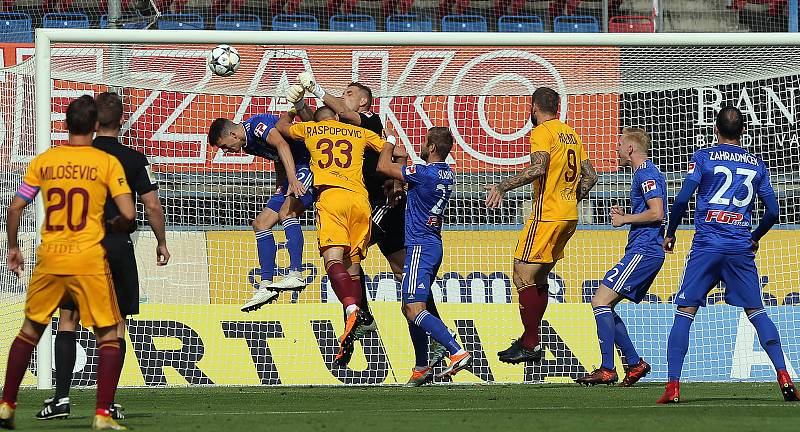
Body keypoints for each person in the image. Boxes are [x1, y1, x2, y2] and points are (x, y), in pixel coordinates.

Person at [0, 95, 134, 430]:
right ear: (93, 126)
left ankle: (6, 404)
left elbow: (15, 208)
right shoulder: (106, 163)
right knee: (107, 334)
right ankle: (102, 414)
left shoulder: (46, 161)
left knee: (30, 331)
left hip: (51, 257)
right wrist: (113, 225)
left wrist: (13, 247)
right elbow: (129, 214)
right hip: (88, 258)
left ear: (65, 124)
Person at [36, 92, 170, 421]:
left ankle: (61, 399)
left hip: (79, 248)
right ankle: (105, 404)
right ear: (121, 120)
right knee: (116, 326)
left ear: (94, 121)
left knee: (68, 319)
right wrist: (161, 242)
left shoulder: (74, 156)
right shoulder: (134, 159)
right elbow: (152, 205)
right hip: (117, 247)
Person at [658, 106, 799, 404]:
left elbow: (683, 198)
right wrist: (754, 237)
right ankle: (784, 376)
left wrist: (670, 232)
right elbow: (773, 211)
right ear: (744, 131)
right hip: (739, 248)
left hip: (707, 245)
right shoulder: (757, 165)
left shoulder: (703, 157)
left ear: (715, 130)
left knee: (685, 312)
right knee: (757, 312)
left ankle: (673, 387)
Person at [485, 87, 597, 365]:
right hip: (569, 214)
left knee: (521, 274)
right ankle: (528, 340)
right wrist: (571, 199)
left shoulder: (541, 132)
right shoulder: (571, 133)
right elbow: (591, 175)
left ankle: (531, 342)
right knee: (539, 277)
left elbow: (539, 168)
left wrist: (503, 185)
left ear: (534, 107)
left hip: (547, 215)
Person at [276, 106, 384, 366]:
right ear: (336, 118)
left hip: (332, 197)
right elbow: (394, 151)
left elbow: (281, 128)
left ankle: (352, 310)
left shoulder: (311, 129)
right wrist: (389, 140)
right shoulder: (357, 132)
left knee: (332, 261)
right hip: (360, 200)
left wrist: (292, 106)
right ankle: (355, 320)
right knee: (353, 266)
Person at [377, 125, 472, 385]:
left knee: (413, 308)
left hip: (420, 246)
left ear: (431, 147)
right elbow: (416, 192)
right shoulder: (447, 174)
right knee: (410, 307)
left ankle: (454, 349)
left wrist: (390, 141)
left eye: (424, 142)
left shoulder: (423, 173)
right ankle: (422, 367)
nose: (420, 145)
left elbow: (383, 166)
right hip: (432, 244)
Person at [575, 128, 665, 386]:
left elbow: (657, 212)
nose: (615, 149)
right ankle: (635, 364)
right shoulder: (645, 172)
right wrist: (630, 215)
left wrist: (625, 219)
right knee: (606, 304)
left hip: (644, 250)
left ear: (630, 149)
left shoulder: (646, 173)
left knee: (600, 300)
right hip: (645, 248)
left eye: (619, 145)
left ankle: (607, 369)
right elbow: (653, 212)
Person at [207, 113, 310, 312]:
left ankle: (296, 273)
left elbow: (283, 145)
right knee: (260, 224)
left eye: (224, 146)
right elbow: (278, 157)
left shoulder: (256, 126)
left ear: (232, 134)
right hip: (291, 173)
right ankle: (265, 286)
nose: (226, 151)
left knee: (287, 213)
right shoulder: (248, 145)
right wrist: (281, 185)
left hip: (308, 164)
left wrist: (293, 180)